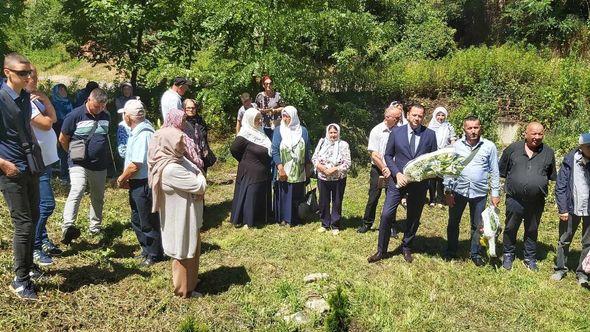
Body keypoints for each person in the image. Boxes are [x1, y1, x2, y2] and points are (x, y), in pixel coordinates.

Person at [368, 104, 438, 263]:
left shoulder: (430, 135)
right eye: (414, 115)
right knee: (386, 214)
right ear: (408, 115)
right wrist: (397, 173)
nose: (417, 118)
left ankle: (407, 246)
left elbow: (432, 160)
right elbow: (387, 155)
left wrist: (426, 176)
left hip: (418, 184)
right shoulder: (396, 132)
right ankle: (381, 250)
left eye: (420, 116)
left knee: (413, 216)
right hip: (397, 181)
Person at [0, 53, 42, 300]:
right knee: (23, 224)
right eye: (22, 73)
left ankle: (29, 267)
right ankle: (20, 280)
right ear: (7, 72)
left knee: (34, 217)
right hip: (10, 169)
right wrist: (4, 164)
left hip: (30, 166)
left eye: (29, 73)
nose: (27, 77)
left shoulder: (25, 97)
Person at [148, 127, 207, 298]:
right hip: (180, 217)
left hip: (188, 213)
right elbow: (200, 185)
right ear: (168, 144)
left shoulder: (177, 159)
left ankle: (192, 282)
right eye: (179, 143)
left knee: (193, 248)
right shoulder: (170, 168)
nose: (183, 147)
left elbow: (197, 170)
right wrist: (199, 176)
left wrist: (197, 173)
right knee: (183, 251)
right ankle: (183, 290)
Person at [499, 122, 556, 271]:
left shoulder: (548, 153)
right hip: (514, 199)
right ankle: (508, 254)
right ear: (525, 133)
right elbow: (502, 171)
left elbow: (550, 175)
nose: (537, 137)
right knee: (511, 228)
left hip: (536, 201)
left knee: (532, 229)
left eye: (540, 134)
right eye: (534, 133)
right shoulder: (512, 149)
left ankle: (529, 257)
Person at [443, 115, 500, 266]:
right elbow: (450, 170)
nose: (473, 131)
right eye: (470, 128)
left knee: (477, 225)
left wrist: (495, 193)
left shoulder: (489, 146)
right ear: (464, 129)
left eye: (476, 127)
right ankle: (451, 250)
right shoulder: (456, 146)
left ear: (480, 128)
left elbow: (494, 171)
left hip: (479, 193)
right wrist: (447, 191)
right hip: (458, 191)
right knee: (453, 222)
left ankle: (475, 253)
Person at [59, 88, 111, 244]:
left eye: (102, 106)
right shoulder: (75, 115)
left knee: (98, 196)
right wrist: (72, 153)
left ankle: (95, 227)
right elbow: (63, 138)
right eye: (96, 106)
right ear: (89, 100)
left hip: (100, 164)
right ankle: (68, 226)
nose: (99, 109)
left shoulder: (106, 116)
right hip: (78, 163)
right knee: (78, 188)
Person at [116, 99, 164, 266]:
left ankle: (154, 253)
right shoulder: (136, 131)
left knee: (147, 220)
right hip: (137, 182)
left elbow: (136, 164)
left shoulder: (143, 134)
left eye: (125, 114)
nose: (123, 117)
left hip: (143, 182)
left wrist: (122, 178)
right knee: (137, 218)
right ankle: (146, 250)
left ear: (130, 117)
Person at [27, 66, 63, 266]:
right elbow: (47, 124)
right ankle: (35, 246)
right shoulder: (26, 102)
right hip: (36, 161)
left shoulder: (37, 99)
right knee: (46, 204)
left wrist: (46, 100)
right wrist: (45, 105)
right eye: (32, 76)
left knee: (40, 204)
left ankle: (43, 240)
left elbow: (55, 118)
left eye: (36, 76)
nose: (35, 79)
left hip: (46, 160)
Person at [357, 104, 405, 234]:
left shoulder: (400, 130)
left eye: (399, 118)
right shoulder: (376, 130)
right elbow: (374, 154)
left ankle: (391, 225)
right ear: (387, 117)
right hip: (378, 168)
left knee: (392, 198)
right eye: (396, 118)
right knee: (373, 197)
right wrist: (384, 168)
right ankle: (367, 223)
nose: (398, 120)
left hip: (394, 169)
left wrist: (393, 169)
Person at [551, 133, 590, 286]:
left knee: (588, 242)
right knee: (564, 239)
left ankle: (583, 273)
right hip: (571, 208)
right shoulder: (570, 160)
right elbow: (560, 186)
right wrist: (563, 209)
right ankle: (560, 269)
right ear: (581, 147)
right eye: (588, 146)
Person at [230, 108, 272, 229]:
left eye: (260, 118)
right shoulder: (244, 135)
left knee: (258, 194)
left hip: (262, 171)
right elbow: (234, 150)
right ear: (249, 120)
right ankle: (247, 220)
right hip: (250, 171)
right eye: (257, 119)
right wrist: (245, 161)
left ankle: (260, 217)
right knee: (251, 195)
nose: (260, 121)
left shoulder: (261, 132)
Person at [272, 106, 312, 227]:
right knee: (284, 192)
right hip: (284, 169)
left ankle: (297, 218)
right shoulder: (279, 130)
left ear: (294, 116)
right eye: (283, 116)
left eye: (287, 116)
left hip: (299, 170)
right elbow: (275, 150)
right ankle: (284, 218)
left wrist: (307, 167)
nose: (284, 119)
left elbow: (307, 149)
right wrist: (280, 168)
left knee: (297, 194)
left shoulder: (303, 131)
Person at [312, 123, 351, 235]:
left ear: (338, 133)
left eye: (335, 132)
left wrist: (334, 169)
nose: (333, 135)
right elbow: (314, 158)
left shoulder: (343, 144)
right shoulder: (322, 142)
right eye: (331, 132)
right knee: (323, 201)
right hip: (323, 177)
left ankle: (335, 225)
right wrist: (322, 168)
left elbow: (347, 163)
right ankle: (325, 223)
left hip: (338, 178)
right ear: (327, 133)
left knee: (337, 201)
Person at [428, 106, 456, 207]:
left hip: (444, 155)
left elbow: (453, 139)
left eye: (443, 115)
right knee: (432, 178)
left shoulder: (449, 126)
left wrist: (452, 150)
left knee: (441, 178)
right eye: (438, 115)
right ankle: (432, 199)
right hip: (432, 155)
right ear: (435, 115)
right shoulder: (430, 127)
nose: (440, 117)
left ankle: (440, 199)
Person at [183, 99, 216, 173]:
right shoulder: (182, 121)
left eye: (193, 108)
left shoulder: (200, 120)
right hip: (189, 153)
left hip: (202, 151)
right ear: (184, 109)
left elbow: (204, 135)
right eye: (188, 108)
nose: (191, 110)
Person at [51, 83, 73, 183]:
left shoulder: (69, 102)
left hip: (72, 132)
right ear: (56, 92)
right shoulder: (53, 104)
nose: (63, 92)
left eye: (64, 90)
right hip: (59, 132)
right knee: (63, 156)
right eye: (61, 90)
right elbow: (54, 122)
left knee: (72, 153)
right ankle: (63, 177)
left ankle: (72, 176)